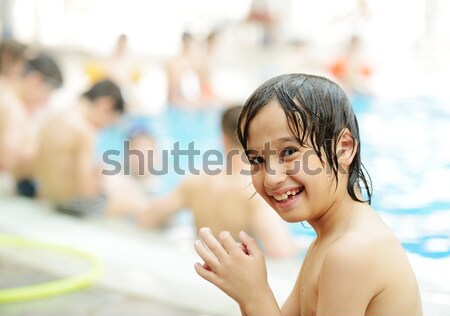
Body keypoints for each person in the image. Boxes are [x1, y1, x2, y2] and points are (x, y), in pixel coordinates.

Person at [194, 74, 422, 315]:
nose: (271, 177)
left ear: (343, 148)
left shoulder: (352, 251)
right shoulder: (326, 241)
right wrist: (247, 290)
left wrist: (254, 295)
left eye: (289, 151)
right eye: (257, 159)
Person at [139, 105, 299, 258]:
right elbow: (280, 251)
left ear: (223, 139)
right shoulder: (254, 191)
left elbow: (147, 219)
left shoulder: (196, 180)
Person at [34, 79, 150, 218]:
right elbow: (86, 191)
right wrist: (99, 179)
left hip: (48, 198)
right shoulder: (85, 131)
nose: (102, 129)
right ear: (105, 105)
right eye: (108, 123)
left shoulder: (54, 116)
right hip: (71, 205)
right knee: (141, 207)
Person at [0, 52, 63, 197]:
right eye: (47, 91)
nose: (46, 98)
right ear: (35, 80)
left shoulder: (16, 103)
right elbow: (9, 158)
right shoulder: (12, 107)